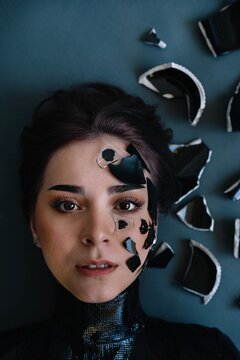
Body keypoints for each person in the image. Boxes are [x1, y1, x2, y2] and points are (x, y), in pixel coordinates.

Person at [0, 83, 239, 359]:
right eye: (68, 205)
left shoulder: (210, 354)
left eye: (126, 205)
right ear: (33, 224)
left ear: (154, 222)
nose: (97, 233)